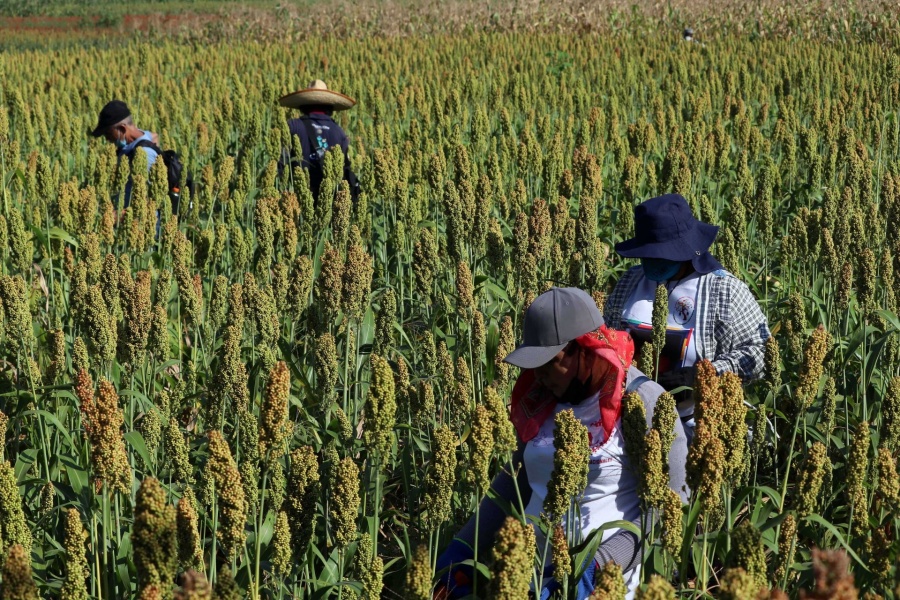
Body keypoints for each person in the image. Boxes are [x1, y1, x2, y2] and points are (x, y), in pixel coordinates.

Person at [435, 287, 689, 600]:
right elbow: (515, 481)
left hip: (608, 586)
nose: (538, 374)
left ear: (585, 348)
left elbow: (672, 505)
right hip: (532, 580)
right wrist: (463, 549)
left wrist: (596, 565)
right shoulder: (540, 399)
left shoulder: (642, 401)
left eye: (550, 362)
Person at [604, 193, 770, 442]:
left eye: (661, 254)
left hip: (698, 431)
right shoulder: (631, 280)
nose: (651, 261)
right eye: (647, 254)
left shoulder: (724, 290)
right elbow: (607, 339)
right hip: (628, 425)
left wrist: (703, 376)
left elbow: (761, 352)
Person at [278, 79, 361, 202]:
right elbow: (346, 169)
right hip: (331, 202)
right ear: (329, 106)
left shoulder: (293, 126)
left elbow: (280, 164)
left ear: (303, 105)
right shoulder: (338, 131)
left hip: (296, 202)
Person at [90, 100, 159, 208]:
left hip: (142, 223)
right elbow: (154, 135)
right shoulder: (137, 140)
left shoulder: (145, 153)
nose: (107, 139)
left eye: (108, 133)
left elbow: (150, 202)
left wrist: (117, 216)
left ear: (122, 129)